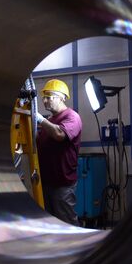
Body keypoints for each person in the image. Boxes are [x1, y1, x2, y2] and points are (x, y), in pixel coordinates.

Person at [35, 79, 82, 226]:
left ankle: (79, 248)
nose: (45, 100)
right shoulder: (50, 120)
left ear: (61, 97)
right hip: (46, 183)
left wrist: (40, 120)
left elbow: (60, 134)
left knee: (66, 222)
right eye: (44, 97)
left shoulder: (72, 117)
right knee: (51, 224)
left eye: (49, 97)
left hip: (62, 184)